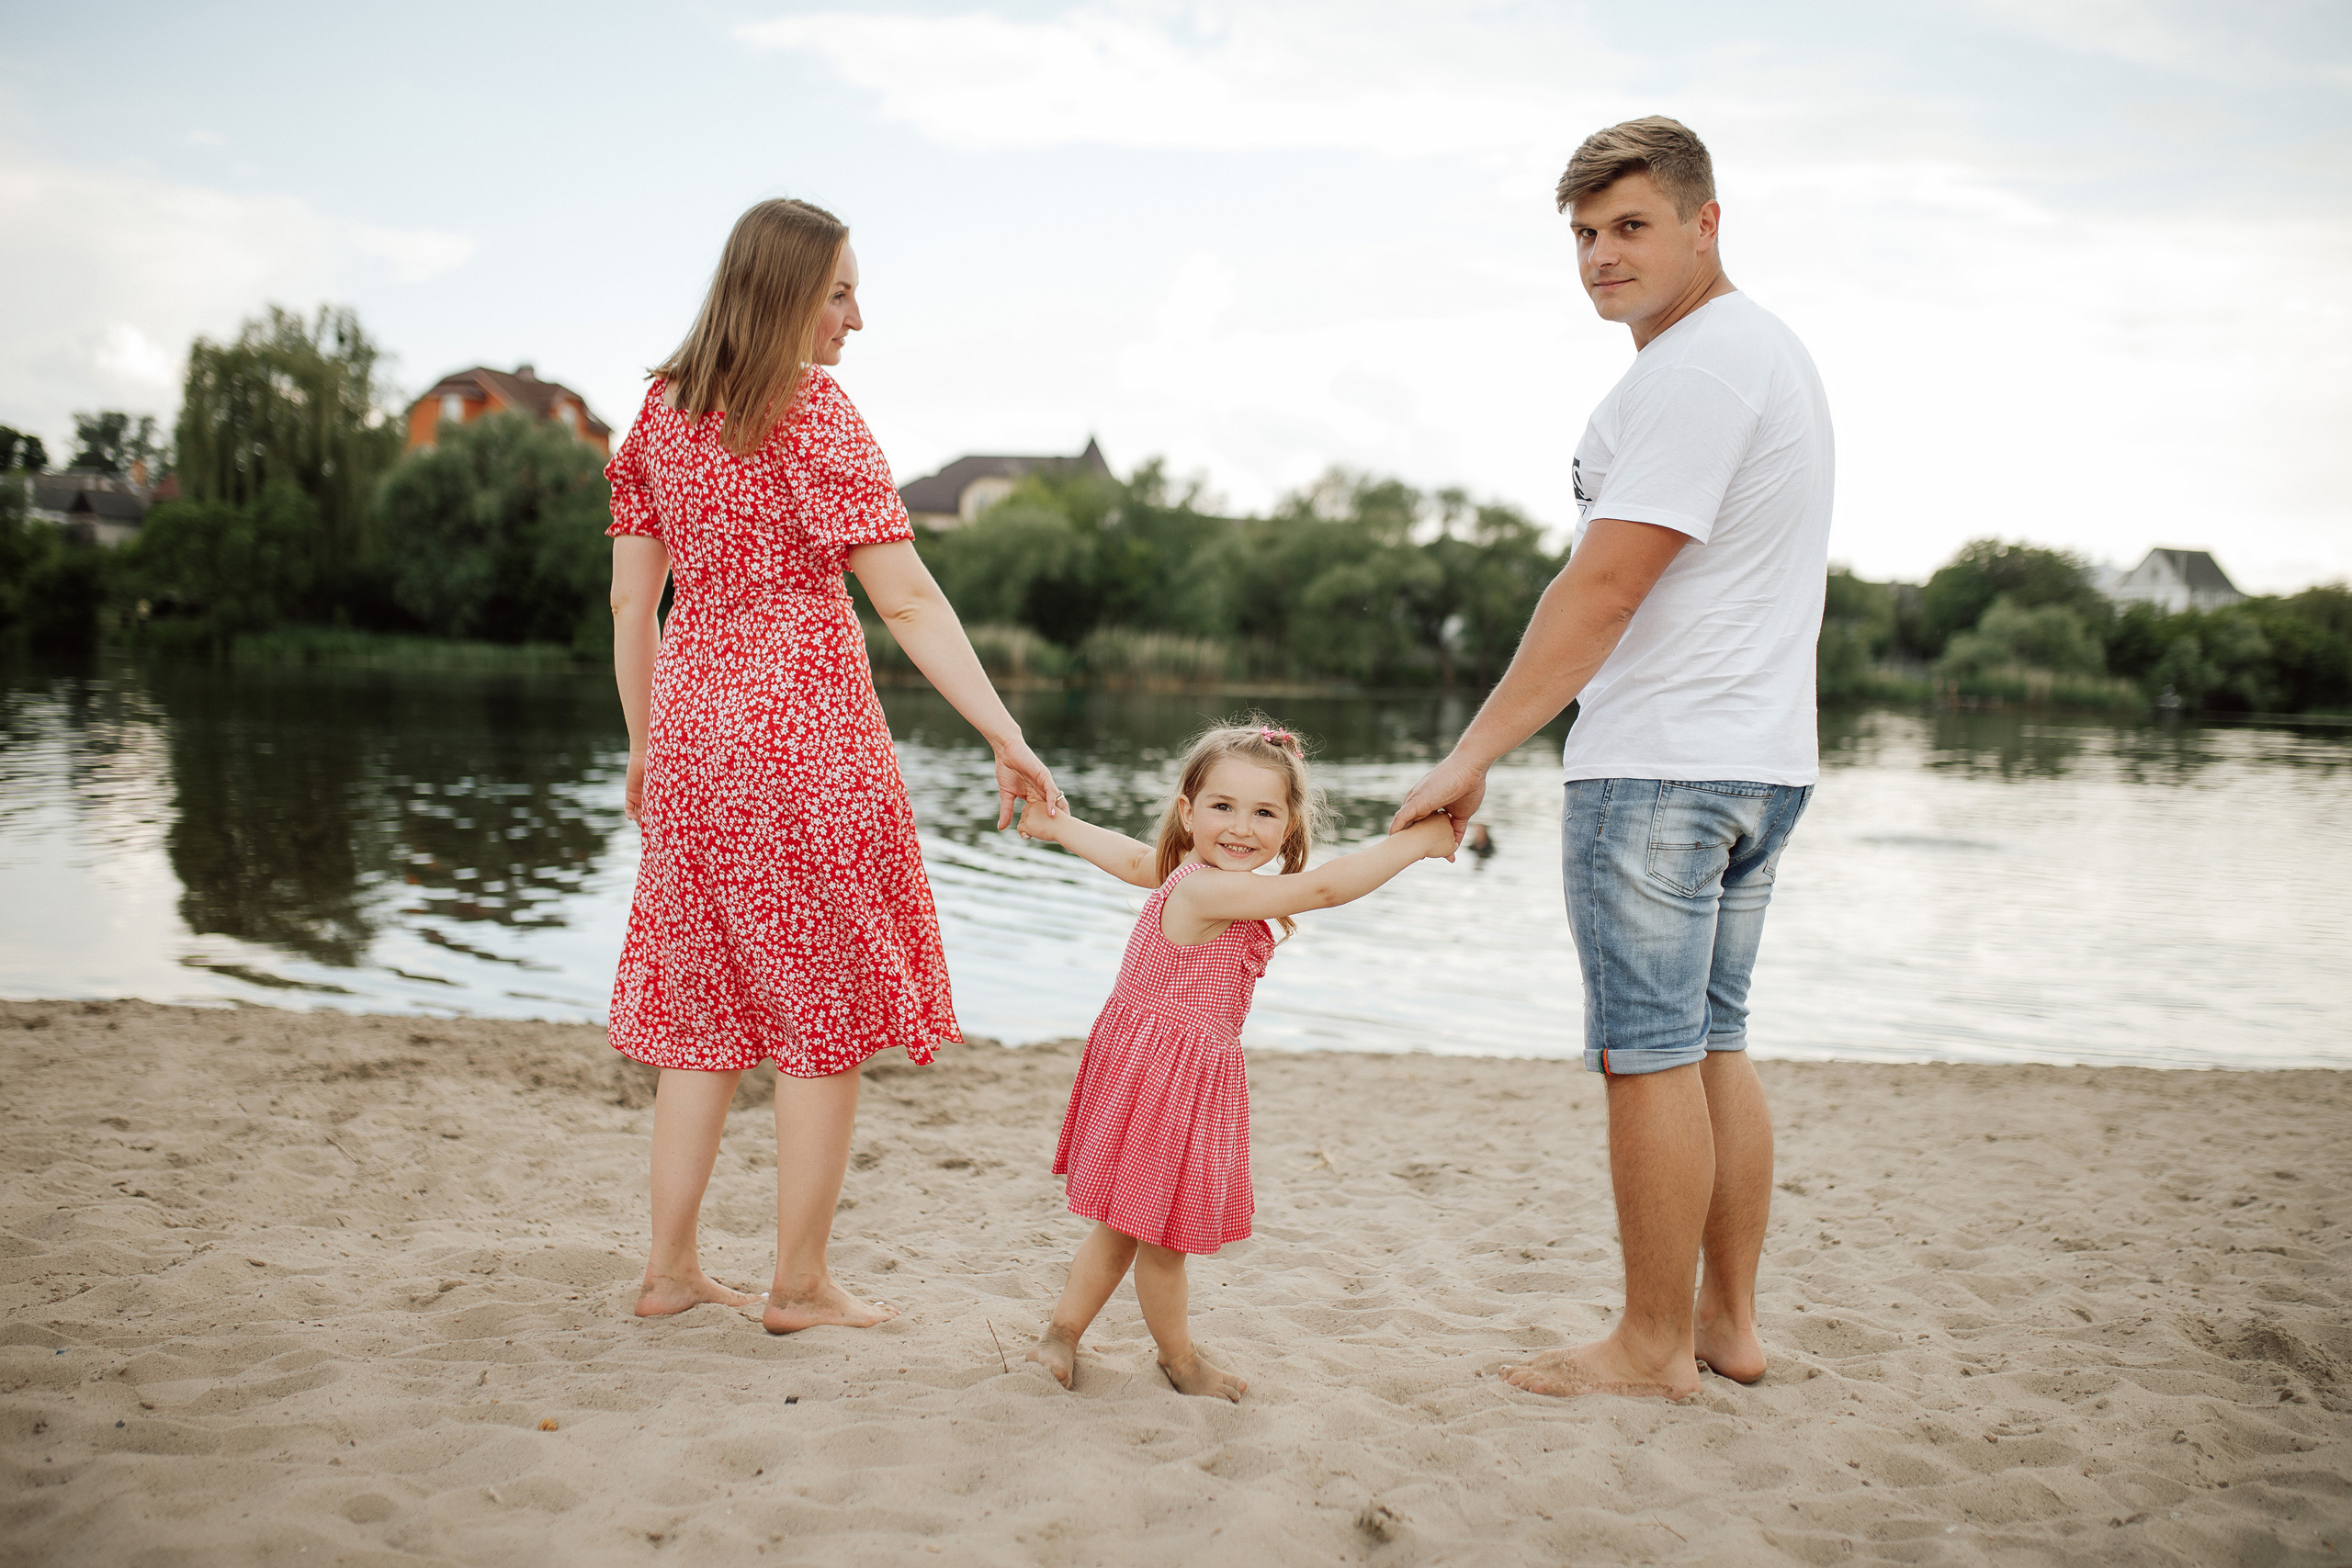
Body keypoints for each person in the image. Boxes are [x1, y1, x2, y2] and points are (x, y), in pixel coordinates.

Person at [1391, 117, 1833, 1400]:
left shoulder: (1702, 367)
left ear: (1707, 221)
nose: (1600, 255)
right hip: (1758, 757)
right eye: (1584, 234)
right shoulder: (1758, 355)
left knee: (1649, 1050)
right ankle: (1725, 1324)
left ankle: (1650, 1344)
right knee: (1710, 1041)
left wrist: (1473, 752)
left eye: (1631, 225)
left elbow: (1603, 588)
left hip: (1662, 766)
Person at [605, 198, 1060, 1334]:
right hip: (806, 742)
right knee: (824, 1014)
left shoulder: (659, 415)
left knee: (700, 1004)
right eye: (840, 292)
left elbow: (631, 602)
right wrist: (1004, 731)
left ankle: (668, 1270)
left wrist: (646, 749)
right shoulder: (814, 414)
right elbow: (903, 594)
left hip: (697, 740)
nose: (857, 317)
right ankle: (797, 1284)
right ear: (784, 294)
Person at [1015, 721, 1457, 1400]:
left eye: (1263, 812)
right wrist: (1416, 842)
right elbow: (1324, 889)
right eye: (1223, 806)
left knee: (1126, 1226)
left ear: (1287, 826)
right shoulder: (1206, 890)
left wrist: (1062, 829)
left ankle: (1063, 1334)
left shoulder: (1190, 876)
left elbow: (1135, 860)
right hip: (1165, 1081)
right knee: (1157, 1239)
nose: (1241, 827)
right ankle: (1178, 1358)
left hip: (1160, 1072)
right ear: (1188, 811)